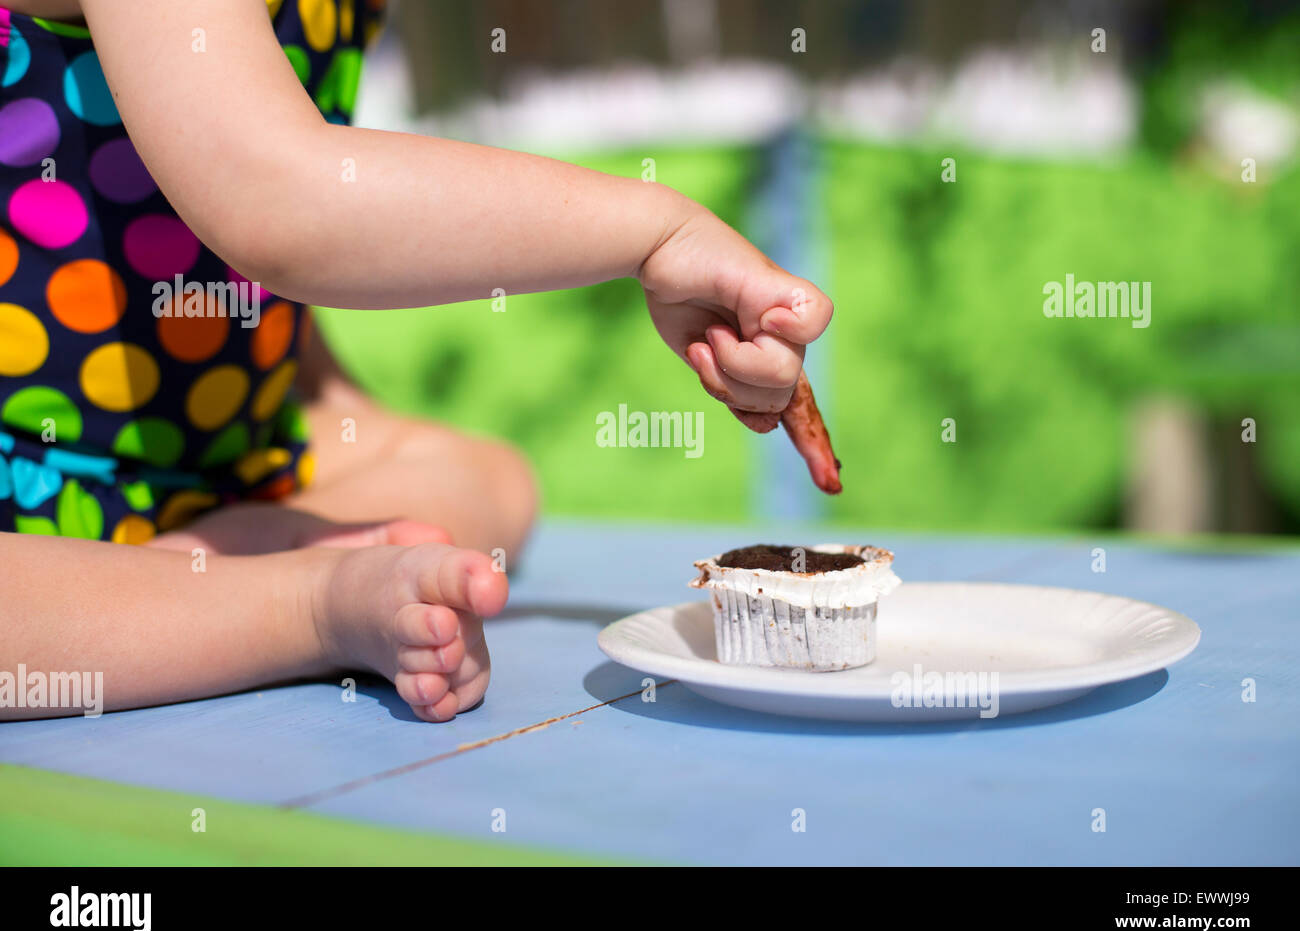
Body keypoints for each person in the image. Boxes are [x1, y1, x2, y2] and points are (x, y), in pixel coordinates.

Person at [0, 0, 835, 721]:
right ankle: (300, 600)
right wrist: (654, 235)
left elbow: (248, 328)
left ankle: (192, 580)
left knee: (488, 478)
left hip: (194, 470)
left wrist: (349, 428)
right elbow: (279, 203)